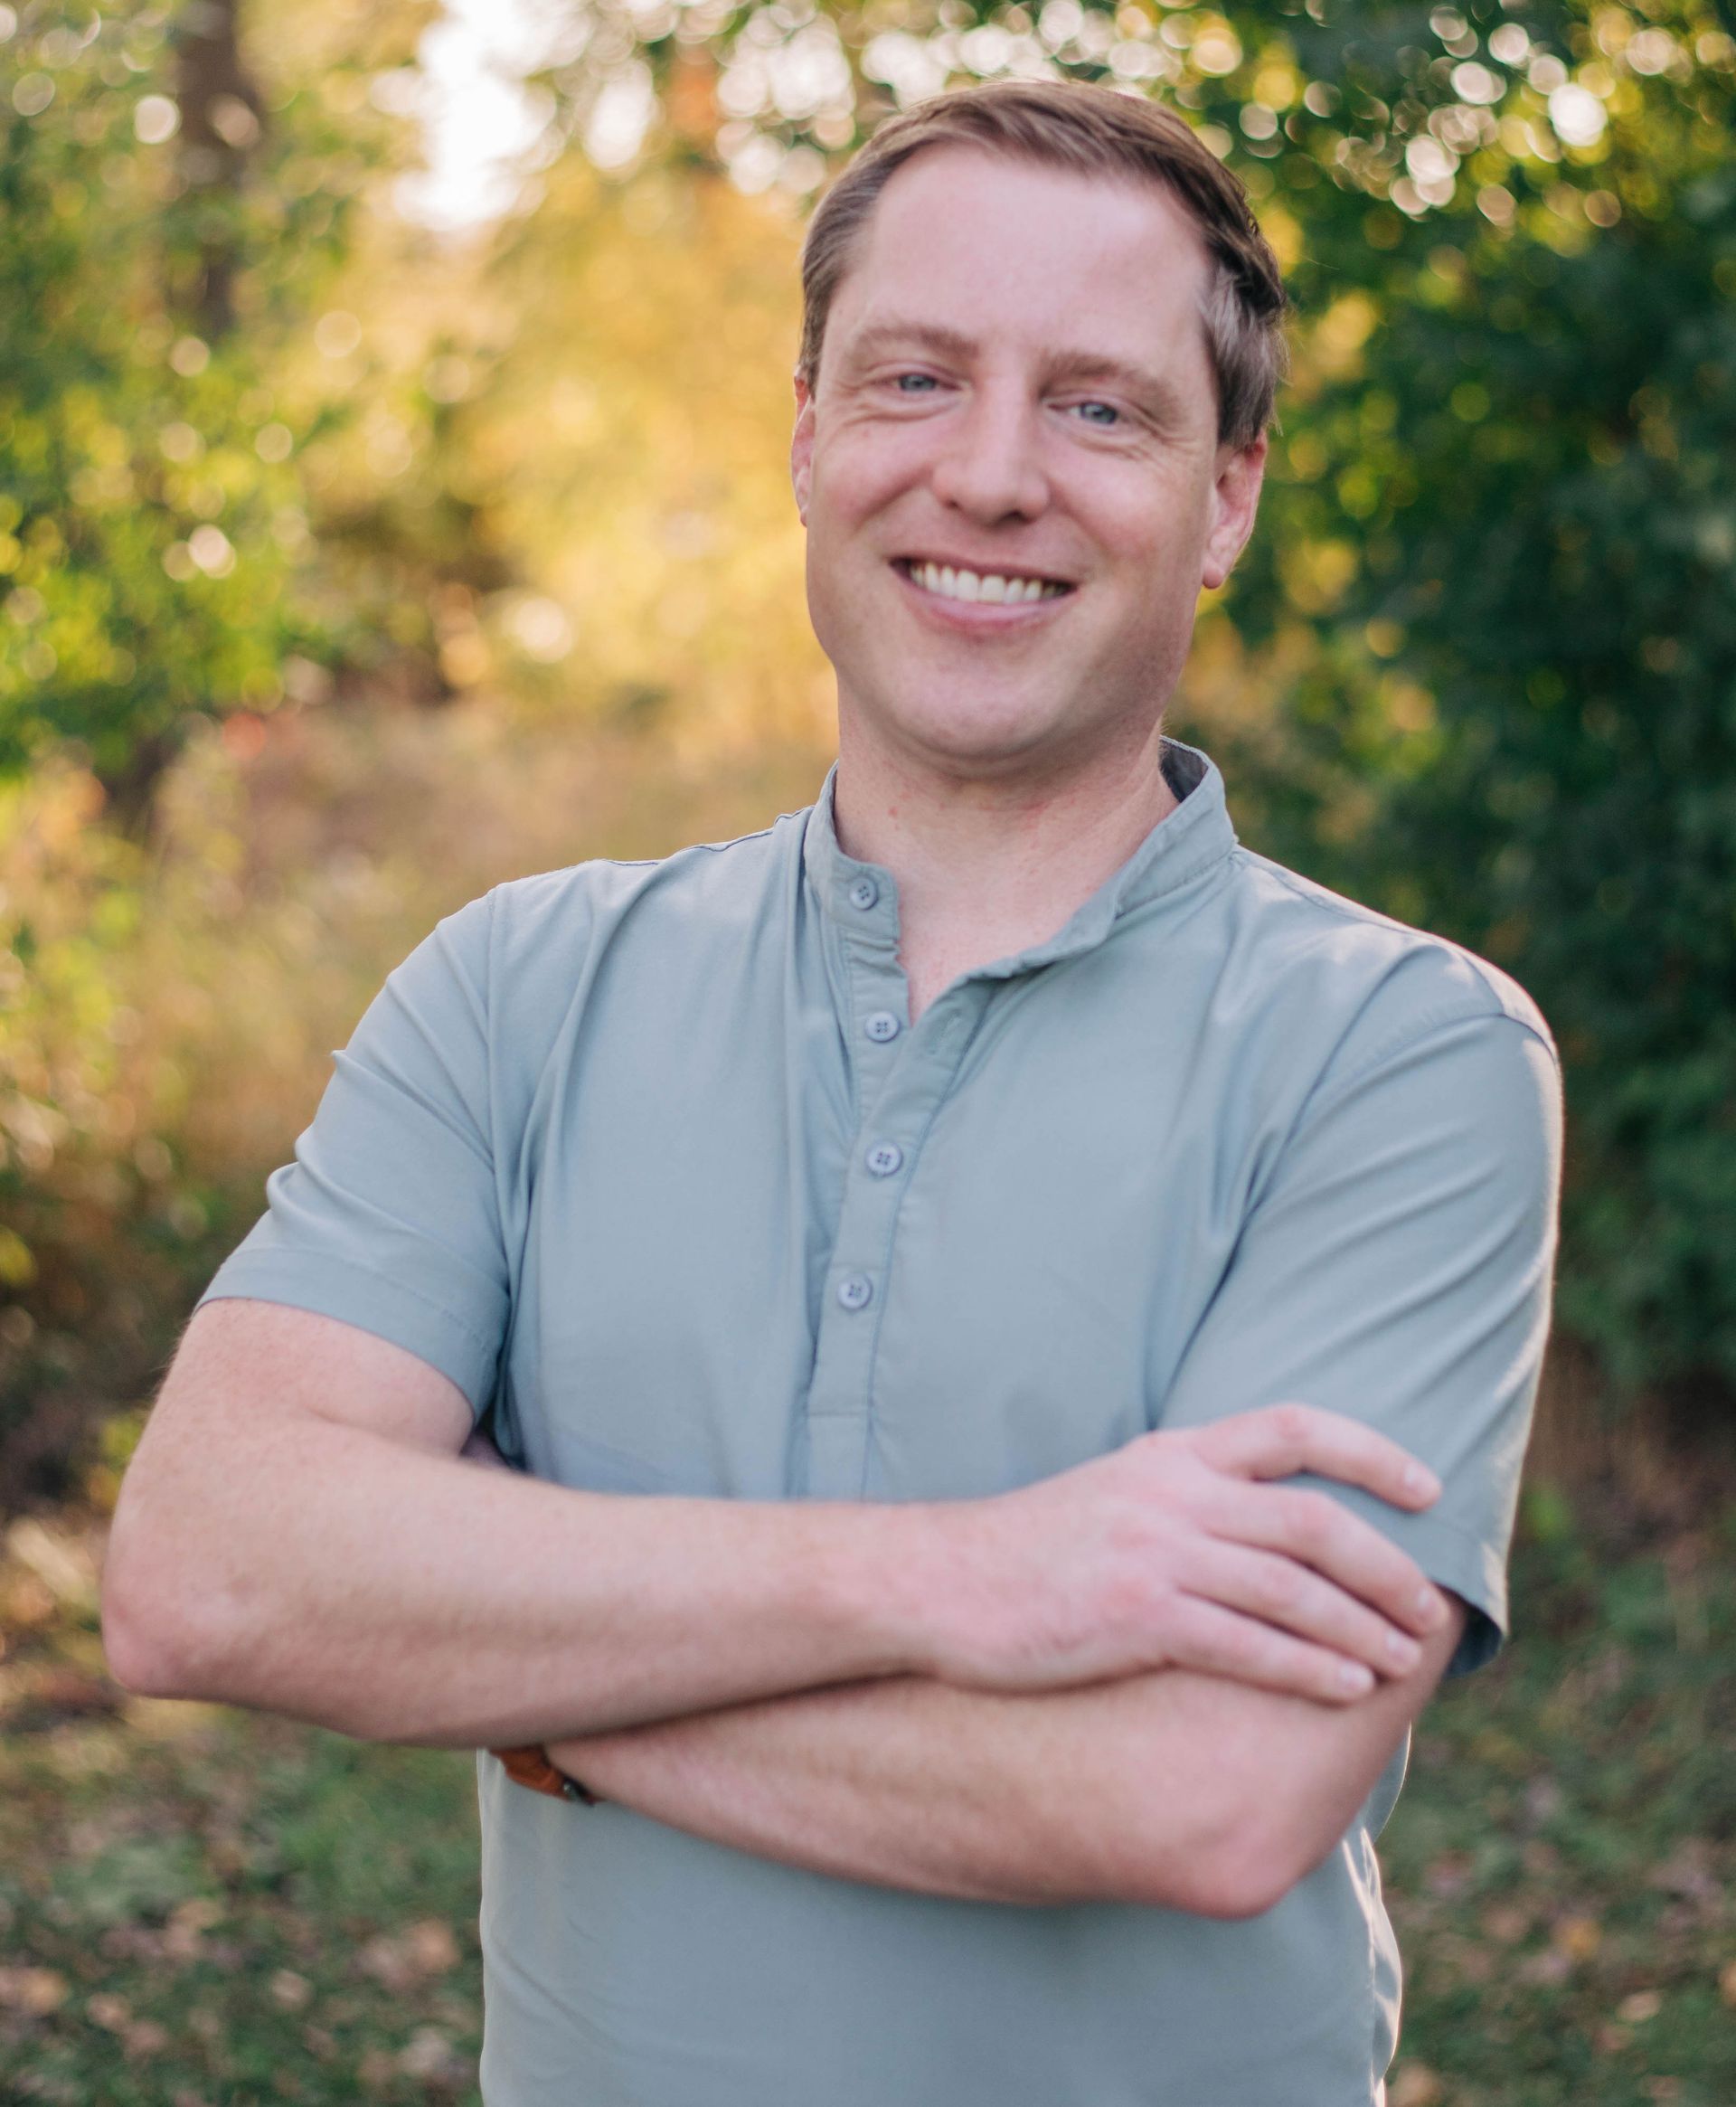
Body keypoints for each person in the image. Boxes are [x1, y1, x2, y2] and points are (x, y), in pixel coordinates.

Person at [101, 79, 1562, 2107]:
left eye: (1098, 407)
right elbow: (208, 1570)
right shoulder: (521, 984)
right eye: (914, 378)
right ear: (804, 434)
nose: (987, 474)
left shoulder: (1405, 1053)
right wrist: (969, 1578)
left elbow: (1208, 1790)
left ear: (1227, 496)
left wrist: (525, 1683)